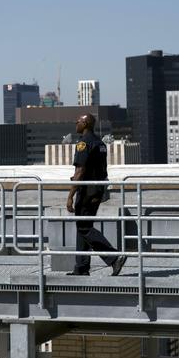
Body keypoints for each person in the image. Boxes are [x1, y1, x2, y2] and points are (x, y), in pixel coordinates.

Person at [66, 113, 126, 276]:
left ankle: (114, 257)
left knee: (84, 227)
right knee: (83, 227)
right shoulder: (100, 143)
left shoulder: (84, 143)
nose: (76, 123)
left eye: (78, 121)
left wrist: (70, 195)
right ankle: (81, 267)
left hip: (86, 191)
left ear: (85, 124)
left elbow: (80, 171)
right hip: (98, 190)